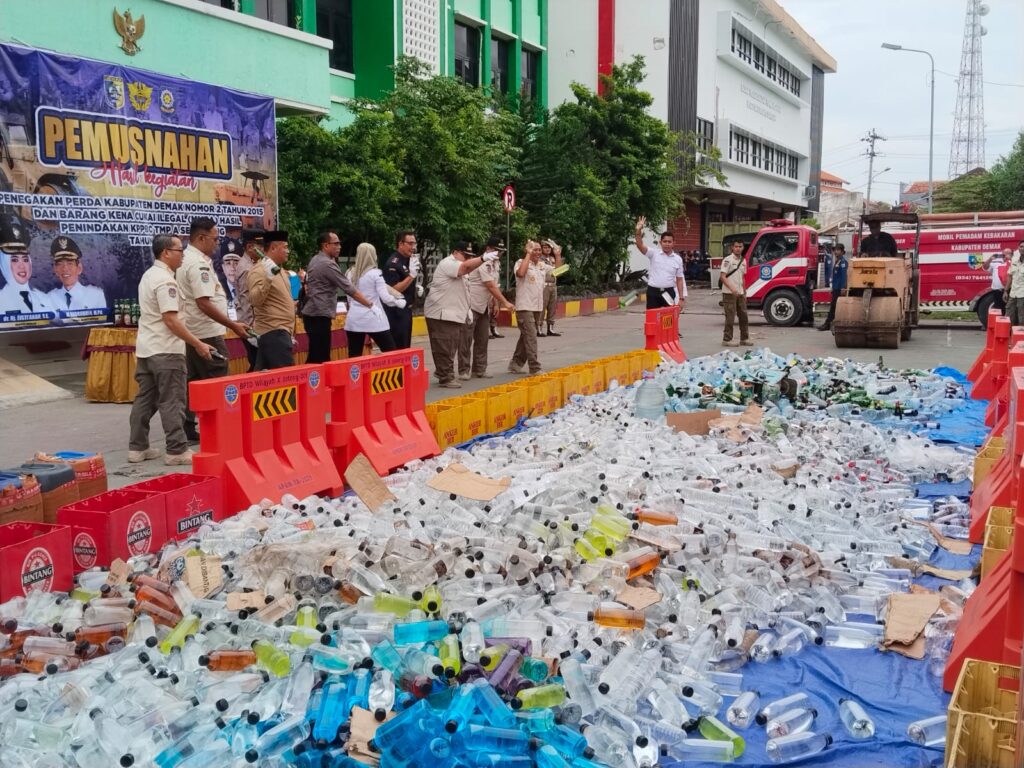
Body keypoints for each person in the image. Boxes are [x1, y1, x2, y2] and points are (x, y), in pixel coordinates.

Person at [128, 234, 217, 466]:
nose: (183, 254)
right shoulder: (165, 281)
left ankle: (137, 447)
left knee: (145, 400)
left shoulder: (149, 275)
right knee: (173, 400)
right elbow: (171, 320)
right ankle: (176, 450)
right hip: (166, 350)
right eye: (179, 250)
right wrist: (197, 343)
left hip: (147, 349)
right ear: (166, 253)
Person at [177, 216, 248, 442]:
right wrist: (232, 325)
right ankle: (221, 428)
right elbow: (204, 302)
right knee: (219, 380)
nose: (217, 244)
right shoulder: (197, 264)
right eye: (215, 239)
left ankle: (188, 427)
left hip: (193, 331)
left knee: (193, 382)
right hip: (206, 332)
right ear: (200, 237)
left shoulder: (185, 259)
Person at [425, 240, 498, 388]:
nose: (467, 258)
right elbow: (464, 268)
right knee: (444, 346)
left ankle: (442, 372)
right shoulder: (449, 263)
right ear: (455, 252)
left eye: (470, 256)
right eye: (465, 255)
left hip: (453, 313)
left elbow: (465, 291)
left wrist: (468, 310)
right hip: (441, 313)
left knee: (450, 346)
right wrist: (483, 258)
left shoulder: (461, 267)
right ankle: (446, 377)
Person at [302, 232, 374, 364]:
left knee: (316, 354)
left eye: (339, 243)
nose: (339, 246)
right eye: (336, 243)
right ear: (325, 245)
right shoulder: (327, 264)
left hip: (314, 313)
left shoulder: (316, 259)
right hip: (318, 314)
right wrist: (369, 304)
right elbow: (348, 287)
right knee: (320, 357)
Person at [459, 236, 514, 380]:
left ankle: (479, 369)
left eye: (501, 251)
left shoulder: (495, 264)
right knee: (466, 339)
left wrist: (495, 303)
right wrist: (505, 302)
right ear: (488, 249)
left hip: (483, 306)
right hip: (472, 304)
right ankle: (464, 370)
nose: (500, 254)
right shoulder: (484, 263)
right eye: (497, 251)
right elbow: (490, 285)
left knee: (483, 338)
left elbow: (495, 286)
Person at [343, 242, 404, 359]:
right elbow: (385, 298)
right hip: (375, 319)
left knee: (354, 357)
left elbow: (350, 297)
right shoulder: (376, 274)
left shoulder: (350, 273)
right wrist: (398, 302)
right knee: (390, 352)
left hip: (355, 319)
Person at [247, 231, 296, 369]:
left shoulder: (280, 270)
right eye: (285, 247)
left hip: (282, 333)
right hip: (273, 333)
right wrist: (268, 278)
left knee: (270, 382)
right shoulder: (259, 271)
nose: (288, 251)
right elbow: (255, 300)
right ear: (273, 248)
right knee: (287, 380)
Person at [509, 241, 549, 375]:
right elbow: (520, 274)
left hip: (537, 306)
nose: (537, 252)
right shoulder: (521, 262)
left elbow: (558, 271)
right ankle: (534, 367)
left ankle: (516, 364)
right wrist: (528, 253)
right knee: (531, 336)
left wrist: (558, 254)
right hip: (524, 306)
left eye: (539, 250)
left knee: (526, 336)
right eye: (534, 250)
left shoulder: (542, 266)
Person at [0, 214, 49, 316]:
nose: (22, 266)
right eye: (14, 260)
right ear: (3, 263)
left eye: (25, 259)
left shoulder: (44, 298)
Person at [634, 216, 687, 310]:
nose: (667, 244)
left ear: (674, 243)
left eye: (669, 242)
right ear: (660, 242)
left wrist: (681, 298)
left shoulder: (678, 259)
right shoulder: (653, 253)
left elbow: (679, 280)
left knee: (669, 320)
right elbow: (640, 246)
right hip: (653, 292)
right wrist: (638, 231)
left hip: (669, 292)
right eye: (665, 241)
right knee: (652, 320)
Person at [46, 235, 107, 312]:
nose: (65, 268)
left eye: (70, 263)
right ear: (55, 269)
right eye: (60, 264)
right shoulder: (49, 298)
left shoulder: (96, 296)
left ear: (79, 268)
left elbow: (101, 323)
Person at [234, 229, 264, 371]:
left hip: (250, 324)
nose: (263, 249)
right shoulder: (247, 269)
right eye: (261, 246)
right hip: (251, 325)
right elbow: (249, 301)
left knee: (258, 364)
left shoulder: (251, 265)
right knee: (258, 365)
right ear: (250, 247)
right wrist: (254, 329)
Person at [382, 231, 419, 349]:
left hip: (406, 310)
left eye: (414, 244)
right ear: (400, 244)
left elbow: (406, 282)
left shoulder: (408, 260)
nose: (413, 247)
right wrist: (411, 277)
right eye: (410, 243)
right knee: (400, 348)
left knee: (406, 346)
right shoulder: (394, 263)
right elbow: (393, 289)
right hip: (396, 313)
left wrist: (415, 287)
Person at [720, 239, 752, 347]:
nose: (738, 248)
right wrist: (732, 289)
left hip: (740, 293)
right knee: (730, 316)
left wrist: (744, 292)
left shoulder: (743, 260)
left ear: (743, 248)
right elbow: (723, 277)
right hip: (729, 293)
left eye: (740, 246)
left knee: (743, 315)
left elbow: (743, 277)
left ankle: (744, 338)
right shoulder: (727, 260)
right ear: (732, 248)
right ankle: (727, 339)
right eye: (736, 246)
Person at [817, 243, 849, 331]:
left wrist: (843, 287)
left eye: (838, 250)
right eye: (835, 250)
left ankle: (827, 324)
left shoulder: (843, 262)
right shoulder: (837, 261)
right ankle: (830, 323)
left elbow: (844, 276)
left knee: (834, 307)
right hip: (835, 288)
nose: (836, 252)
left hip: (839, 288)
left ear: (842, 252)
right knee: (834, 307)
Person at [982, 248, 1012, 314]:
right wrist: (990, 259)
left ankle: (1009, 323)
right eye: (1005, 253)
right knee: (998, 308)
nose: (1006, 255)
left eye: (1008, 253)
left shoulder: (1013, 262)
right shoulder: (996, 262)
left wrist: (1010, 260)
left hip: (1009, 289)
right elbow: (985, 267)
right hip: (997, 290)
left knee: (1010, 308)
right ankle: (999, 323)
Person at [1003, 252, 1024, 327]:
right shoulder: (1014, 260)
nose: (1023, 248)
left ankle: (1021, 336)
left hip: (1022, 294)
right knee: (1008, 313)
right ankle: (1007, 334)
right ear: (1019, 248)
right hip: (1013, 293)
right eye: (1021, 246)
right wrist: (1006, 291)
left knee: (1022, 316)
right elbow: (1010, 276)